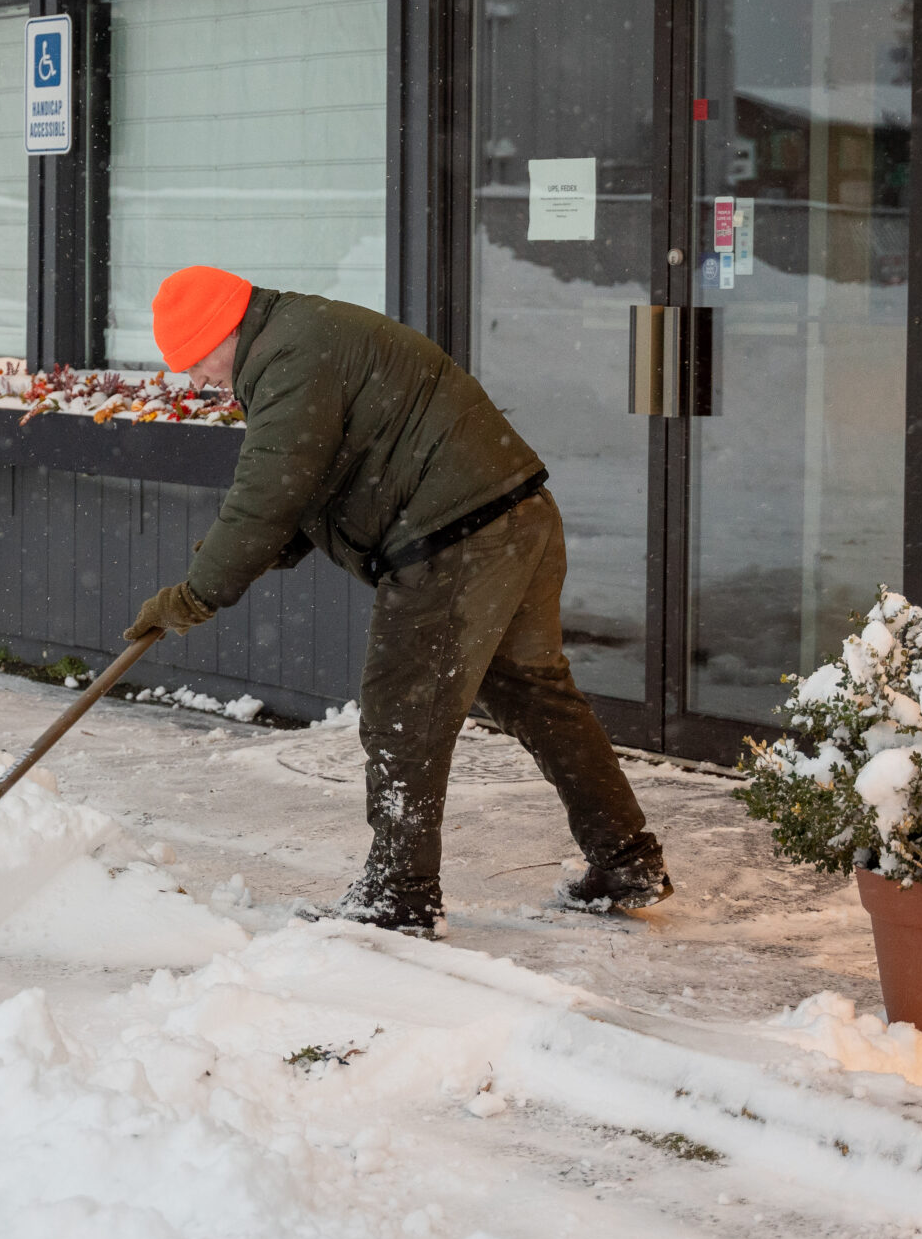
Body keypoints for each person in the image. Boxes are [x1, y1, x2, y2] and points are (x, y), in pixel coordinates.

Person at [124, 266, 669, 937]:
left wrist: (196, 593)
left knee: (401, 713)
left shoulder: (288, 357)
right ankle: (624, 858)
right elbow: (304, 488)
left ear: (222, 330)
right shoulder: (304, 333)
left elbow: (271, 491)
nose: (199, 380)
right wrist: (229, 564)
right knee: (537, 696)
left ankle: (400, 892)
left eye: (197, 361)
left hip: (456, 536)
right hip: (516, 513)